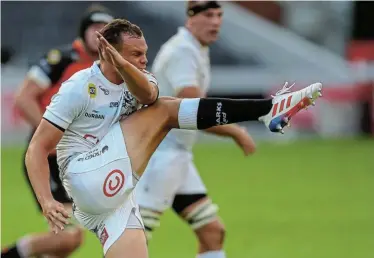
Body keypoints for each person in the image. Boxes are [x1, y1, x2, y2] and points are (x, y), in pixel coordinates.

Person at [24, 18, 322, 258]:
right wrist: (47, 200)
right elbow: (37, 147)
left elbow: (148, 94)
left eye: (144, 53)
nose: (143, 60)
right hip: (83, 176)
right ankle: (268, 109)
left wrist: (125, 65)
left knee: (161, 106)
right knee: (166, 111)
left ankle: (269, 112)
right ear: (108, 53)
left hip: (113, 200)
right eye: (135, 55)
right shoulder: (79, 87)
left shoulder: (140, 79)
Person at [134, 2, 255, 257]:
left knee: (212, 232)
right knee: (134, 239)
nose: (216, 22)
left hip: (176, 155)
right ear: (190, 19)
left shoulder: (195, 49)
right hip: (158, 155)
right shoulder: (182, 52)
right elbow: (196, 111)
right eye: (208, 15)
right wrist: (236, 131)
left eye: (219, 15)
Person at [1, 4, 114, 258]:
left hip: (74, 161)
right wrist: (52, 133)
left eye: (105, 30)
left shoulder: (104, 68)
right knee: (69, 235)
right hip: (47, 158)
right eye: (94, 28)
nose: (99, 35)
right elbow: (24, 98)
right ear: (84, 31)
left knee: (66, 242)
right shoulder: (61, 59)